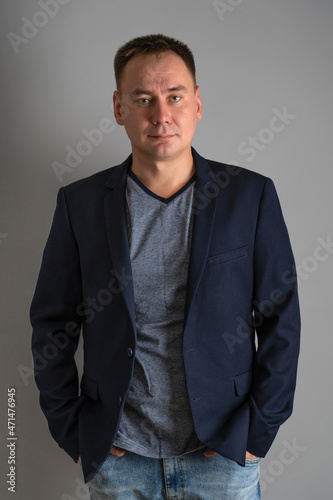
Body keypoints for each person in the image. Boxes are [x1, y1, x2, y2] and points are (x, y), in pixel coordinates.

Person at [30, 34, 301, 499]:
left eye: (175, 96)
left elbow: (281, 319)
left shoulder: (249, 197)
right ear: (119, 108)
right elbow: (52, 322)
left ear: (197, 103)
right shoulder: (81, 205)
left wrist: (257, 433)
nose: (161, 114)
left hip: (223, 456)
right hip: (121, 460)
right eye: (143, 99)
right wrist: (73, 432)